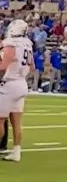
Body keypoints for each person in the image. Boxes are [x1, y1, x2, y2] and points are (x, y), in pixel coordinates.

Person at [0, 18, 34, 164]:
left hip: (8, 84)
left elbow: (3, 66)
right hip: (21, 83)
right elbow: (32, 67)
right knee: (17, 122)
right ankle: (16, 152)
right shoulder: (28, 45)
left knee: (0, 120)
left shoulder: (10, 44)